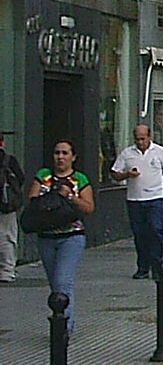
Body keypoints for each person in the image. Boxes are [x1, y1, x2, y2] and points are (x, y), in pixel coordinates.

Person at [29, 139, 94, 336]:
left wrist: (70, 197)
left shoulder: (80, 179)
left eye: (65, 153)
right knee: (54, 283)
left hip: (71, 237)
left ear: (73, 157)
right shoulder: (43, 176)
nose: (60, 157)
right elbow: (32, 202)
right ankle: (60, 319)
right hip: (47, 236)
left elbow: (89, 208)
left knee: (63, 282)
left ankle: (64, 328)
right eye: (57, 153)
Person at [111, 125, 163, 280]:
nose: (140, 142)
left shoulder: (159, 151)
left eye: (143, 138)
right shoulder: (127, 154)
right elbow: (115, 173)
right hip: (135, 199)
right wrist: (127, 175)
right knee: (140, 234)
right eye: (137, 139)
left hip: (155, 198)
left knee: (156, 230)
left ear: (149, 137)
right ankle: (143, 266)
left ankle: (157, 265)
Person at [0, 131, 27, 282]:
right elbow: (21, 178)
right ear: (2, 142)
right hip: (6, 205)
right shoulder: (8, 160)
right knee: (8, 237)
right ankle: (7, 270)